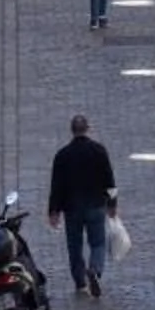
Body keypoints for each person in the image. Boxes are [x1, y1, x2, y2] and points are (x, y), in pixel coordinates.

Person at [46, 114, 119, 299]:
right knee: (98, 243)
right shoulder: (99, 151)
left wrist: (53, 211)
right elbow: (109, 179)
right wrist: (112, 203)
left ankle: (80, 282)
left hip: (72, 208)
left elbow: (56, 185)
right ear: (88, 128)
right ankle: (94, 269)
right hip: (96, 205)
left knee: (74, 246)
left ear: (72, 131)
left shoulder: (62, 155)